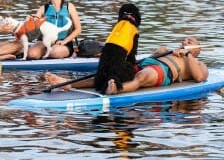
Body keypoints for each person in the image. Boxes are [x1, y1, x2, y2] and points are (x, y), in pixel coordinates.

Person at [44, 36, 208, 95]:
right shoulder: (170, 50)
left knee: (141, 77)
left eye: (190, 41)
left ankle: (117, 90)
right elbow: (150, 57)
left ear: (197, 49)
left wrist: (186, 54)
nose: (185, 42)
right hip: (149, 63)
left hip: (163, 72)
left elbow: (199, 78)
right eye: (185, 40)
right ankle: (66, 83)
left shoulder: (199, 63)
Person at [0, 0, 82, 60]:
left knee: (55, 52)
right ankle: (19, 51)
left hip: (63, 42)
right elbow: (32, 27)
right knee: (31, 54)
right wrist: (28, 22)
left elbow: (78, 29)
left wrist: (65, 41)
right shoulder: (43, 8)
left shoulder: (69, 7)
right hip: (44, 41)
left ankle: (45, 52)